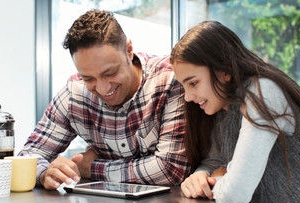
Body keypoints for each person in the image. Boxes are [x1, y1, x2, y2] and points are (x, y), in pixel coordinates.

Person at [19, 9, 189, 190]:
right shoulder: (74, 95)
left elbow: (170, 169)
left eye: (110, 73)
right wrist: (46, 173)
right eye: (89, 78)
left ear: (129, 51)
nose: (102, 88)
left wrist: (91, 168)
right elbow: (27, 157)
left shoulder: (170, 80)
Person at [170, 21, 300, 203]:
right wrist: (199, 177)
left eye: (194, 83)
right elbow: (215, 162)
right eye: (184, 86)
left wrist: (217, 180)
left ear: (224, 70)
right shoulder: (225, 107)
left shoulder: (262, 93)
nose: (187, 96)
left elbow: (236, 193)